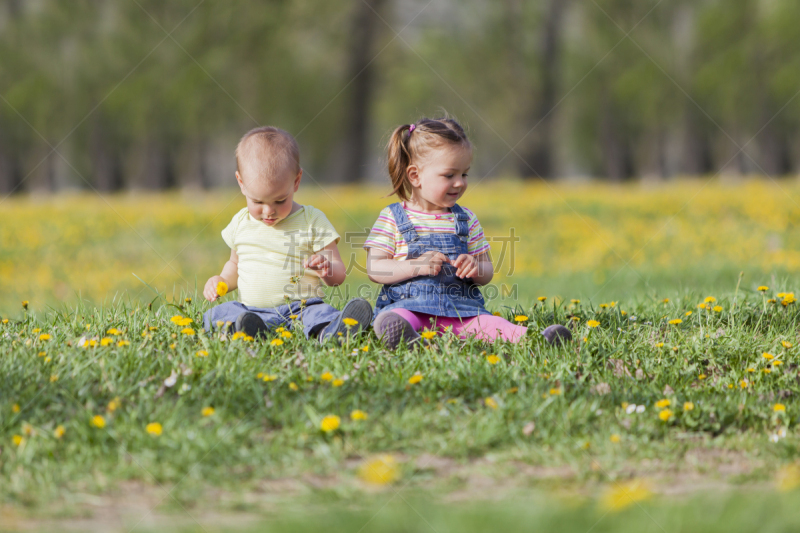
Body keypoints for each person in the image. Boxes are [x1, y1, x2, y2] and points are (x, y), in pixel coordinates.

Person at [364, 117, 527, 349]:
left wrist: (475, 267)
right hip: (412, 309)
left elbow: (487, 271)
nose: (460, 183)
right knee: (394, 318)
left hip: (463, 314)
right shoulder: (392, 217)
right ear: (415, 176)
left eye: (464, 174)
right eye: (449, 175)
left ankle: (538, 338)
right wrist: (416, 266)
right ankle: (404, 336)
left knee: (492, 323)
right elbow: (375, 268)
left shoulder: (466, 219)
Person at [202, 126, 372, 341]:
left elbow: (338, 275)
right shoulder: (240, 222)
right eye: (258, 202)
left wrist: (327, 269)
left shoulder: (312, 220)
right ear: (241, 183)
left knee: (321, 314)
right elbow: (235, 265)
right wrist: (222, 280)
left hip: (302, 309)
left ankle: (332, 332)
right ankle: (251, 331)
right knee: (216, 314)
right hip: (252, 311)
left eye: (280, 200)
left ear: (296, 181)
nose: (268, 211)